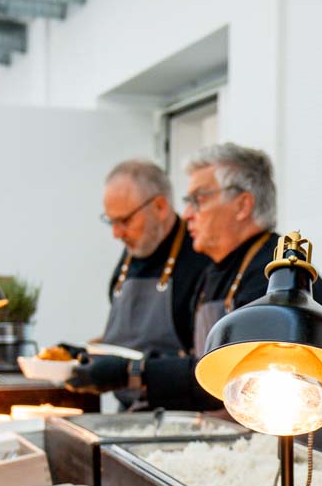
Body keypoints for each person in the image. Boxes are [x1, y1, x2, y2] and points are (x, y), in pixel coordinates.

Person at [69, 143, 322, 456]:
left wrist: (129, 373)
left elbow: (235, 380)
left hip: (311, 460)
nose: (186, 214)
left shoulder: (279, 280)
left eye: (198, 199)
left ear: (242, 205)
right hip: (250, 446)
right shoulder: (214, 273)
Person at [59, 158, 211, 409]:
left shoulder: (199, 258)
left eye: (125, 221)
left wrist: (129, 372)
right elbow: (124, 340)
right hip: (128, 412)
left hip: (179, 415)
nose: (116, 234)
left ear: (160, 207)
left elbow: (204, 361)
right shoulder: (133, 252)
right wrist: (82, 356)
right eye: (111, 222)